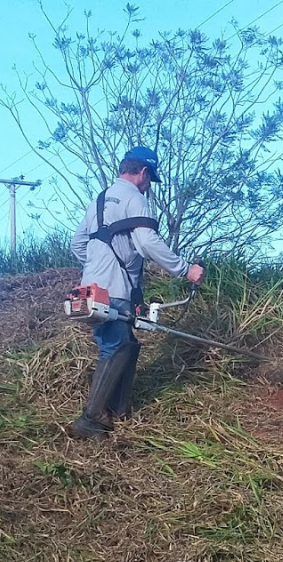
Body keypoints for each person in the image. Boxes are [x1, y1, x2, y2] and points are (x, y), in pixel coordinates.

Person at [68, 145, 204, 439]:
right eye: (149, 179)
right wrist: (185, 269)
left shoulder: (99, 200)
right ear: (143, 172)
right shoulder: (135, 199)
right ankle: (90, 418)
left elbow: (78, 244)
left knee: (126, 343)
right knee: (116, 346)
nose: (148, 186)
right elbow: (146, 243)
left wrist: (97, 267)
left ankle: (118, 410)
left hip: (91, 288)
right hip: (115, 289)